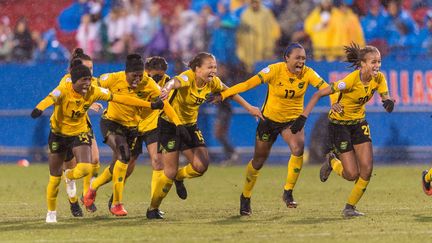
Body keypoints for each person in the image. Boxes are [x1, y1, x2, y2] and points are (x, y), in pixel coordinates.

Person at [31, 60, 164, 223]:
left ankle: (70, 175)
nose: (87, 83)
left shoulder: (94, 91)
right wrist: (39, 109)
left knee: (87, 167)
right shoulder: (63, 90)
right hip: (58, 134)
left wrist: (149, 104)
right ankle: (51, 213)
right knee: (54, 177)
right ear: (74, 82)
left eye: (89, 79)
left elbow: (121, 99)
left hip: (79, 132)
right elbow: (50, 98)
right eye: (83, 80)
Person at [208, 43, 329, 216]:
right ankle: (246, 196)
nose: (301, 62)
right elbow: (248, 84)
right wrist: (224, 94)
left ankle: (288, 192)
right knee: (258, 161)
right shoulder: (274, 70)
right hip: (269, 120)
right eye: (297, 58)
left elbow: (326, 88)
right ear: (287, 58)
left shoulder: (308, 73)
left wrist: (337, 101)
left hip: (292, 121)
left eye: (303, 58)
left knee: (298, 147)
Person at [147, 52, 263, 219]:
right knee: (169, 172)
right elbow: (174, 81)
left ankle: (179, 177)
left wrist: (249, 107)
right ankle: (153, 208)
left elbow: (230, 92)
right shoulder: (188, 77)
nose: (213, 70)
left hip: (190, 126)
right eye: (209, 67)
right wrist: (166, 88)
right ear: (197, 69)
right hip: (169, 126)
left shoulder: (213, 82)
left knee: (201, 166)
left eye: (215, 67)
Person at [289, 43, 395, 217]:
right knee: (352, 174)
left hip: (359, 123)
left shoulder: (379, 78)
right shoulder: (350, 80)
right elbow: (318, 94)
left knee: (367, 169)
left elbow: (385, 96)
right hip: (340, 126)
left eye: (379, 61)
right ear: (363, 63)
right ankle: (332, 161)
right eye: (373, 62)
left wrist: (389, 102)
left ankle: (349, 208)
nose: (377, 65)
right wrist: (303, 117)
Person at [83, 54, 183, 216]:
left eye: (140, 76)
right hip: (112, 123)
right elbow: (91, 85)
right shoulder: (112, 78)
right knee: (124, 155)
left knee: (123, 164)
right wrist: (89, 99)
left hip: (134, 127)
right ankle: (116, 203)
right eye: (134, 76)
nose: (137, 79)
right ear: (125, 73)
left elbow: (164, 104)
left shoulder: (149, 83)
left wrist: (178, 124)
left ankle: (93, 187)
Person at [105, 56, 174, 213]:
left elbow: (170, 103)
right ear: (146, 71)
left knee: (158, 162)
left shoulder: (167, 83)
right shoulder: (134, 80)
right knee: (126, 163)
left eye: (161, 76)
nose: (158, 79)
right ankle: (111, 194)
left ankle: (154, 207)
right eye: (155, 75)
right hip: (133, 125)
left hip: (153, 126)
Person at [60, 48, 102, 217]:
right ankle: (73, 201)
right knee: (70, 170)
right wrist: (90, 104)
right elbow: (68, 98)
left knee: (95, 159)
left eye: (92, 69)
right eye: (87, 68)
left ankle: (87, 196)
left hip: (83, 127)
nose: (90, 73)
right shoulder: (66, 82)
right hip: (65, 131)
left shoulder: (92, 82)